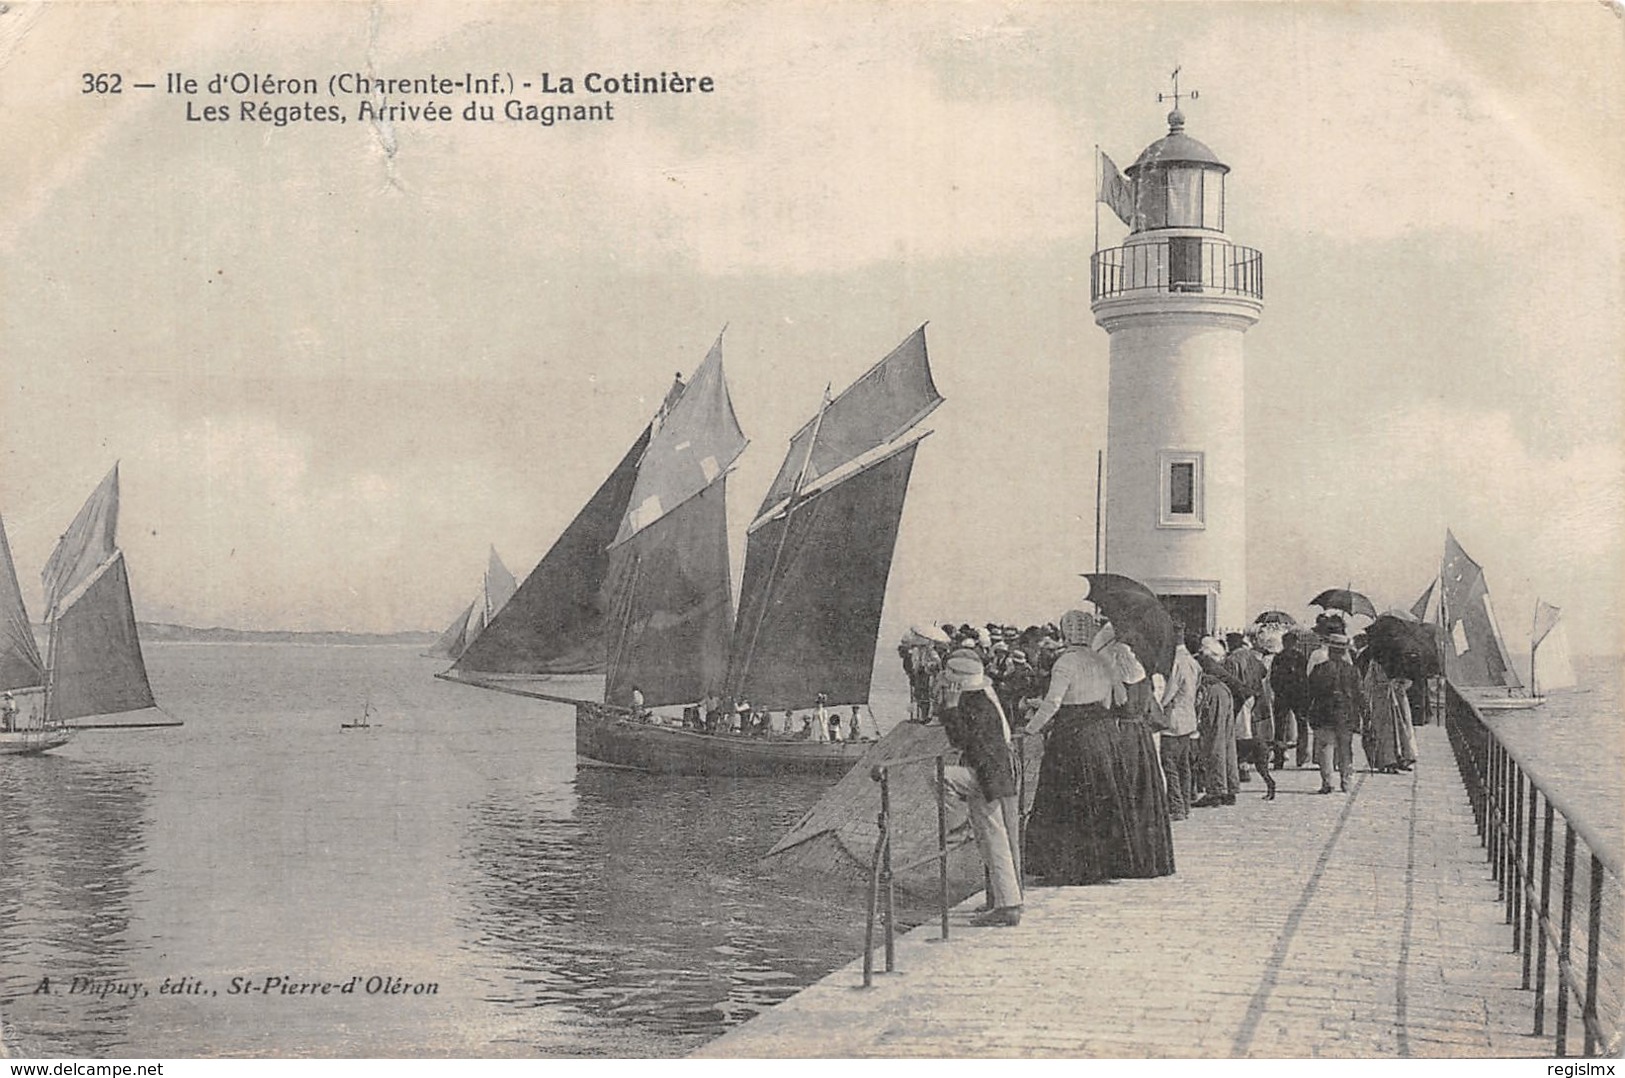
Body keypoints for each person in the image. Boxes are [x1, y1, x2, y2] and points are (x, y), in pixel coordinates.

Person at [1022, 608, 1175, 885]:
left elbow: (1053, 703)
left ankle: (1067, 867)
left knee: (1065, 799)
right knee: (1101, 796)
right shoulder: (1103, 661)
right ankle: (1102, 864)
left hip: (1072, 735)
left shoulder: (1065, 662)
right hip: (1103, 735)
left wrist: (1031, 728)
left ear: (1066, 632)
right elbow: (1117, 697)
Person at [934, 651, 1023, 926]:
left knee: (940, 777)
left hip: (986, 776)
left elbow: (960, 740)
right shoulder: (985, 697)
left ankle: (956, 823)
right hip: (994, 773)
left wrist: (949, 707)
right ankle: (1003, 900)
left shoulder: (971, 703)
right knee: (993, 838)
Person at [1306, 634, 1367, 793]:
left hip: (1323, 712)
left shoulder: (1320, 669)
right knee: (1345, 748)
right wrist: (1364, 713)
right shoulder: (1353, 671)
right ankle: (1346, 782)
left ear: (1330, 650)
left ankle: (1327, 783)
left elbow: (1309, 692)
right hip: (1346, 714)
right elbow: (1360, 694)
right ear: (1344, 651)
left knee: (1326, 747)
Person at [1158, 633, 1201, 820]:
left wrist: (1158, 705)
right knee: (1184, 764)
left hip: (1174, 718)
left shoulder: (1176, 662)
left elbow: (1169, 692)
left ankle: (1176, 806)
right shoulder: (1193, 661)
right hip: (1188, 716)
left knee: (1170, 763)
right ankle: (1185, 803)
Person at [1192, 638, 1239, 807]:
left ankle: (1216, 790)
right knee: (1227, 742)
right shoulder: (1219, 662)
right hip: (1224, 693)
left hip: (1212, 693)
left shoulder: (1200, 660)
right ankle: (1230, 788)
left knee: (1214, 742)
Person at [1361, 657, 1416, 773]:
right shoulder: (1395, 660)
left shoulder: (1376, 662)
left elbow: (1368, 683)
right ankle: (1395, 759)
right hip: (1388, 697)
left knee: (1392, 729)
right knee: (1394, 729)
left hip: (1388, 698)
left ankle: (1395, 759)